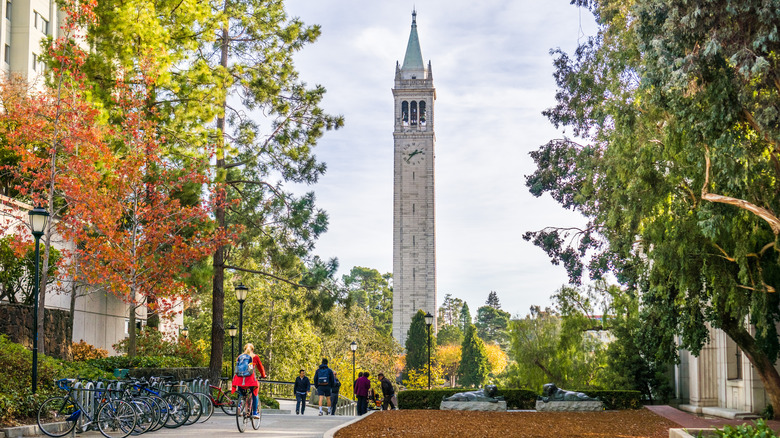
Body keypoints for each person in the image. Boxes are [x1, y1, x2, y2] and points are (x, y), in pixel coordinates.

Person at [231, 343, 267, 419]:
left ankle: (240, 407)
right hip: (250, 381)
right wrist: (263, 375)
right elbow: (260, 367)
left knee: (241, 393)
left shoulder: (239, 357)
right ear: (252, 350)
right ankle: (254, 412)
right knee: (255, 392)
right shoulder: (255, 357)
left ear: (244, 349)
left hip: (240, 380)